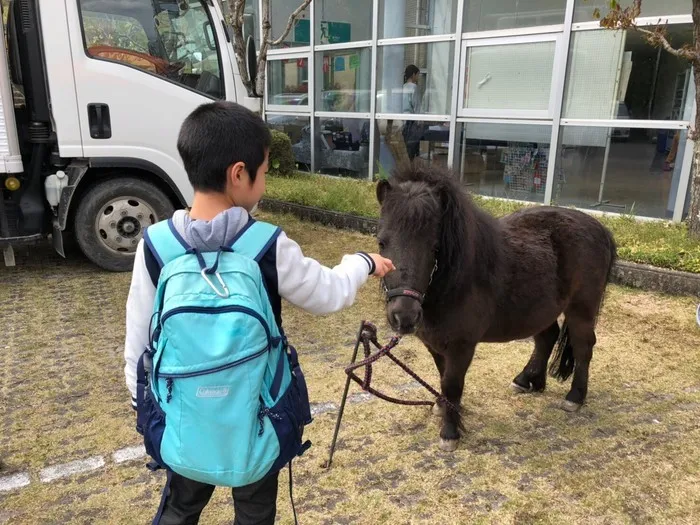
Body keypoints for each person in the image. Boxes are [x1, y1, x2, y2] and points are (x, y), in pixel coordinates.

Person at [123, 101, 394, 525]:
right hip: (255, 415)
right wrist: (362, 262)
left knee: (180, 507)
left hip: (185, 416)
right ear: (238, 174)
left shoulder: (156, 245)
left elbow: (138, 337)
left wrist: (144, 406)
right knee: (254, 512)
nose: (263, 182)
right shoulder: (265, 245)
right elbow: (328, 294)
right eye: (263, 172)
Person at [401, 64, 424, 160]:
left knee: (405, 149)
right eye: (418, 75)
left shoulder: (402, 86)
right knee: (412, 149)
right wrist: (420, 121)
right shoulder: (414, 87)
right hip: (411, 121)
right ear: (413, 74)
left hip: (401, 121)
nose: (418, 77)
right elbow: (417, 105)